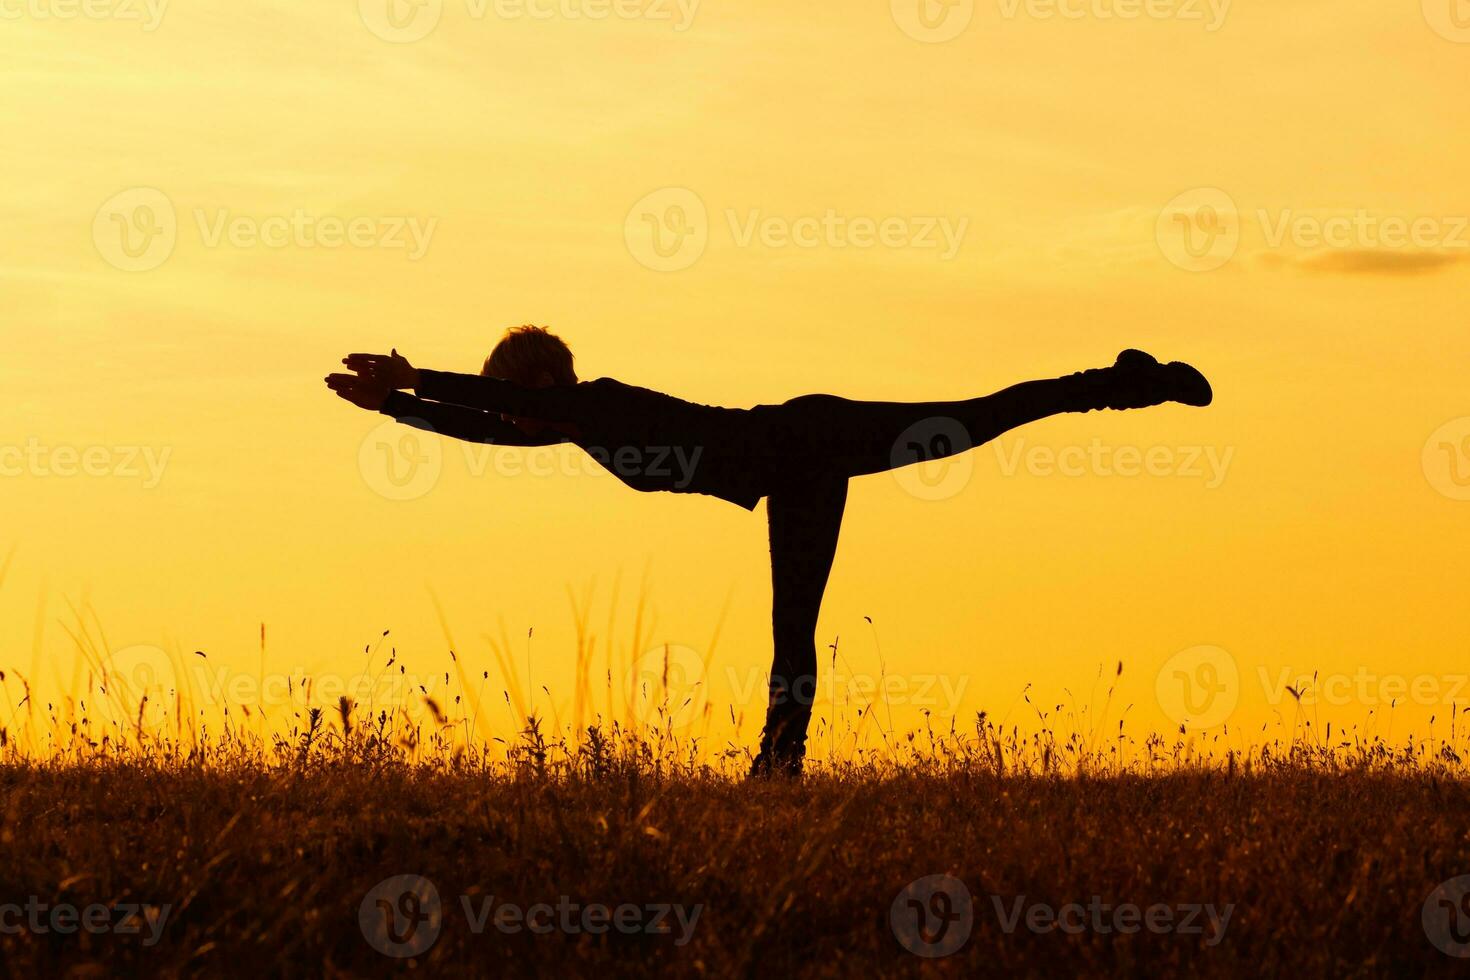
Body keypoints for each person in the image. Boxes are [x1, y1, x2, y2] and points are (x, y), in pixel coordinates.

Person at [326, 325, 1212, 776]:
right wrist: (397, 409)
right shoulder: (565, 428)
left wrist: (415, 382)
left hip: (811, 435)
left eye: (510, 396)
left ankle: (1117, 386)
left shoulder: (596, 404)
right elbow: (495, 433)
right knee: (794, 624)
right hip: (798, 472)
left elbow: (492, 413)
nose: (510, 414)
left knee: (974, 420)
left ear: (541, 386)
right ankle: (779, 767)